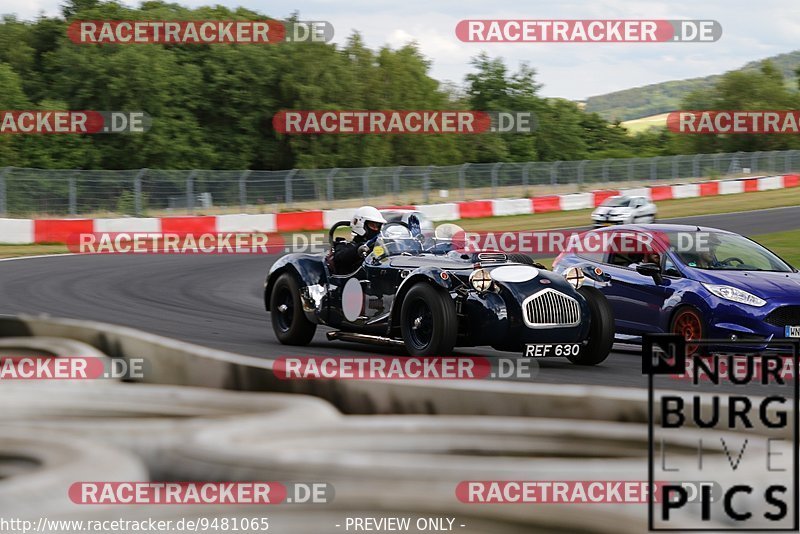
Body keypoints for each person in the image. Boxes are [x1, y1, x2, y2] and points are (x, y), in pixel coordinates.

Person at [329, 206, 386, 274]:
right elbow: (340, 258)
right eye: (372, 225)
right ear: (360, 224)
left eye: (377, 226)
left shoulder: (377, 246)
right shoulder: (344, 245)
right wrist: (359, 250)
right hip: (353, 282)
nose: (376, 229)